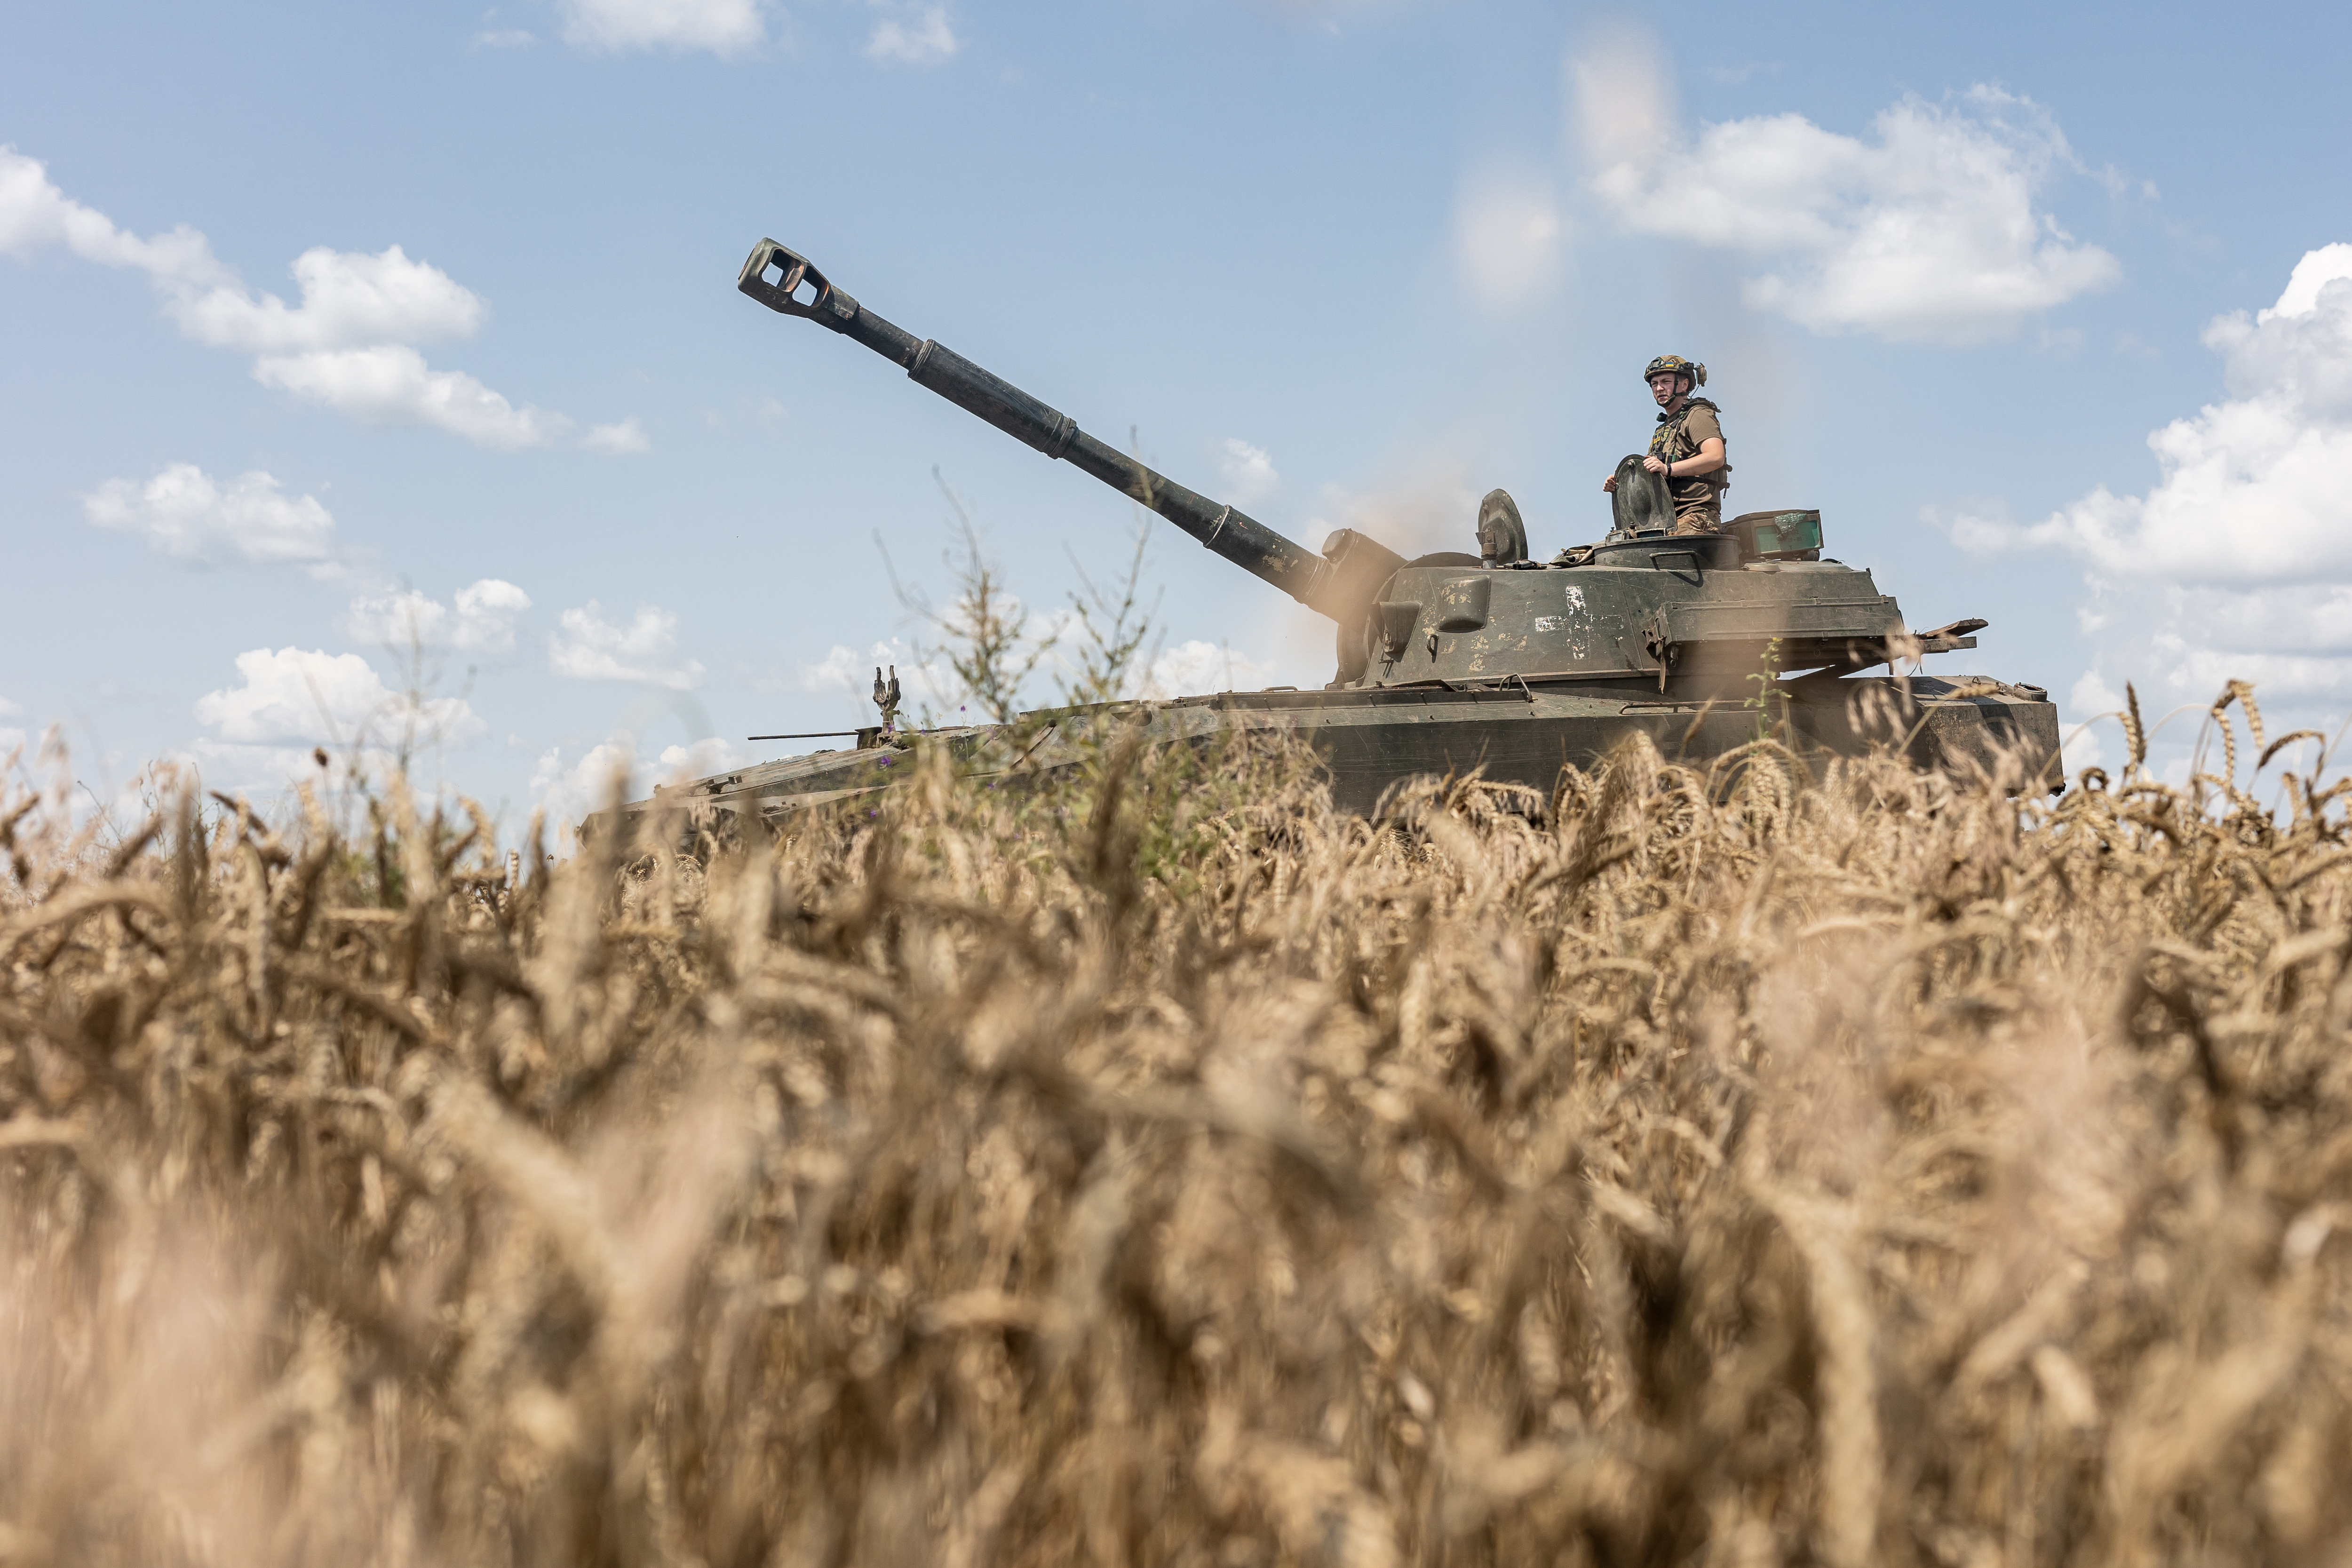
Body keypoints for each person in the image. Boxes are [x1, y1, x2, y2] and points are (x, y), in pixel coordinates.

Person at [1602, 354, 1729, 535]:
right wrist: (1620, 483)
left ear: (1684, 384)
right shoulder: (1663, 429)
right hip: (1663, 519)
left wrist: (1668, 468)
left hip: (1695, 517)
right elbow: (1651, 475)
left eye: (1666, 382)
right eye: (1655, 384)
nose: (1659, 388)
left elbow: (1715, 457)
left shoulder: (1698, 414)